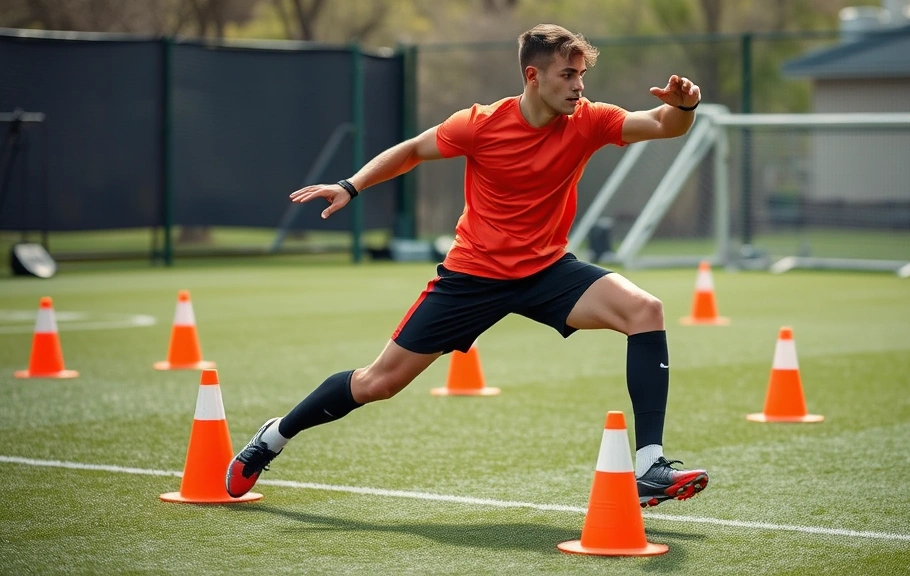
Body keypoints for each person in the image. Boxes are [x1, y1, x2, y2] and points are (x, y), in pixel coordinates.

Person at [226, 23, 708, 508]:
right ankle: (274, 436)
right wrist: (350, 186)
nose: (579, 86)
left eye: (582, 75)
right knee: (378, 383)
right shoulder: (480, 124)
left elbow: (662, 124)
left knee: (645, 310)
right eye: (568, 74)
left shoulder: (590, 119)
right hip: (473, 276)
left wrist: (684, 106)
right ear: (533, 76)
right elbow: (412, 151)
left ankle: (648, 466)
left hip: (547, 271)